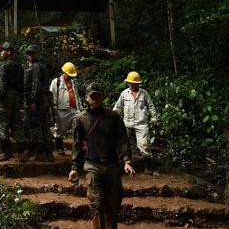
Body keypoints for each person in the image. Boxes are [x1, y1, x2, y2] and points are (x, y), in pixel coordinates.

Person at [69, 83, 135, 229]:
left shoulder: (113, 117)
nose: (96, 99)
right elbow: (77, 144)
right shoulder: (81, 119)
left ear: (103, 97)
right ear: (87, 98)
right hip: (92, 165)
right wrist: (74, 167)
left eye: (98, 95)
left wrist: (127, 161)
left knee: (113, 205)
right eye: (93, 96)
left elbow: (122, 139)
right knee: (97, 204)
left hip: (112, 165)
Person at [113, 71, 158, 174]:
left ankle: (148, 166)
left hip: (141, 123)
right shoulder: (124, 93)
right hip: (127, 123)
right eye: (131, 83)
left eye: (135, 83)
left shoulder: (144, 93)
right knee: (124, 143)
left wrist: (154, 117)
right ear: (128, 83)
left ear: (138, 83)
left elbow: (151, 106)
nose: (133, 85)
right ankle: (126, 164)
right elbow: (117, 108)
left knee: (144, 145)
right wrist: (114, 119)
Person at [0, 42, 25, 162]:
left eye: (3, 50)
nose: (1, 52)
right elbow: (22, 85)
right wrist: (21, 99)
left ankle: (6, 152)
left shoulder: (5, 66)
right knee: (16, 123)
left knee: (2, 124)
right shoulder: (19, 66)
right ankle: (21, 152)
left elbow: (0, 84)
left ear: (9, 52)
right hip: (16, 98)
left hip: (5, 98)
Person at [23, 44, 54, 161]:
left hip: (38, 101)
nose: (30, 56)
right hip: (44, 100)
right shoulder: (43, 67)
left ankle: (41, 153)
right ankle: (48, 153)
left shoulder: (36, 67)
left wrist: (33, 101)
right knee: (44, 126)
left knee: (36, 126)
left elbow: (36, 84)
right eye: (29, 54)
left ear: (37, 54)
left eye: (32, 54)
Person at [50, 62, 83, 155]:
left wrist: (80, 109)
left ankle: (77, 148)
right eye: (69, 75)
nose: (70, 77)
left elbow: (77, 96)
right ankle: (59, 148)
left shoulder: (73, 83)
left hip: (73, 109)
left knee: (78, 126)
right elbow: (52, 97)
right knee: (59, 129)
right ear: (64, 72)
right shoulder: (56, 82)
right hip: (61, 110)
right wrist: (54, 110)